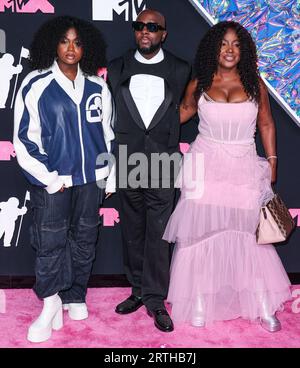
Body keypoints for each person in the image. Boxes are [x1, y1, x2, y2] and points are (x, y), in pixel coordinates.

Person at [163, 21, 292, 332]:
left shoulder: (254, 84)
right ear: (213, 49)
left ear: (244, 50)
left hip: (244, 167)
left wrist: (272, 160)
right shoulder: (200, 83)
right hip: (204, 166)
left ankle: (262, 304)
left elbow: (267, 125)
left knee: (250, 240)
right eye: (223, 44)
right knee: (200, 238)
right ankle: (198, 302)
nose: (230, 50)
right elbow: (177, 116)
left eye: (236, 44)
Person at [13, 16, 115, 343]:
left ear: (86, 47)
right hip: (55, 181)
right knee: (49, 242)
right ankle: (50, 301)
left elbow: (108, 134)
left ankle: (74, 295)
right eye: (64, 41)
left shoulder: (99, 86)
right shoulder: (35, 84)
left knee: (85, 239)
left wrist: (108, 174)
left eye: (77, 42)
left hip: (91, 180)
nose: (71, 48)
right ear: (53, 44)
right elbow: (23, 140)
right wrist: (50, 178)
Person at [107, 9, 190, 332]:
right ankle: (138, 289)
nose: (145, 31)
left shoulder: (181, 70)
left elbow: (184, 109)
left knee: (158, 233)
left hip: (163, 162)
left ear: (163, 34)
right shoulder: (116, 69)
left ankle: (156, 299)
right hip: (128, 159)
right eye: (139, 26)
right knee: (133, 231)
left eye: (153, 27)